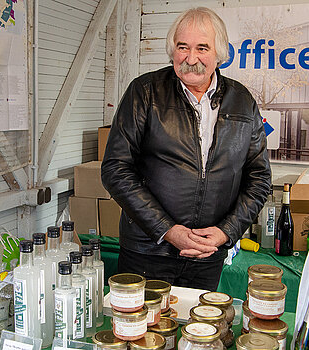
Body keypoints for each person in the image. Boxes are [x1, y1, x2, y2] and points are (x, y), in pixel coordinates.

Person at [101, 7, 271, 291]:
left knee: (199, 333)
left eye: (202, 48)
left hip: (207, 257)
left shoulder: (242, 101)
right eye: (183, 47)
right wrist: (167, 230)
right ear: (172, 51)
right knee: (139, 331)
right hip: (147, 252)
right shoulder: (145, 92)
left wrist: (225, 232)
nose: (191, 58)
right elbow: (115, 169)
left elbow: (260, 179)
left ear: (219, 53)